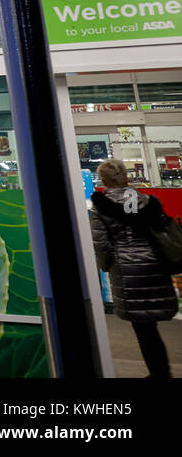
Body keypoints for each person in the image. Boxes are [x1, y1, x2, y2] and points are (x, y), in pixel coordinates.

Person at [90, 159, 175, 378]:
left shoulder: (100, 206)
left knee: (144, 328)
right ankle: (161, 371)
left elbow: (101, 244)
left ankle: (159, 373)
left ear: (104, 180)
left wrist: (106, 266)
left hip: (127, 270)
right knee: (151, 324)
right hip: (155, 264)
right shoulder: (146, 200)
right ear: (126, 177)